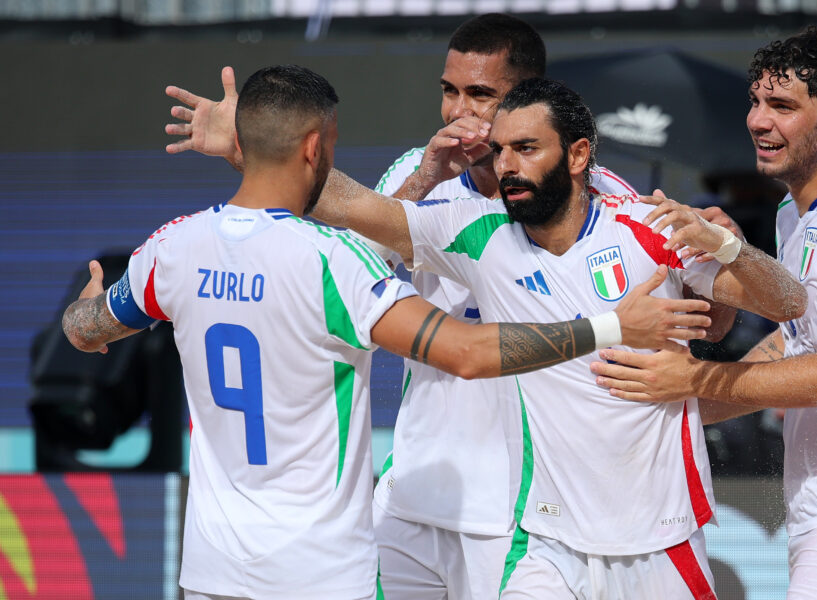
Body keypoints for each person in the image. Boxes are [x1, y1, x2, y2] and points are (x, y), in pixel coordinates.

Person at [61, 65, 700, 600]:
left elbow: (86, 330)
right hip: (319, 574)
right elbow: (469, 353)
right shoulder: (335, 262)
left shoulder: (172, 248)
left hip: (210, 570)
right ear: (316, 147)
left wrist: (89, 313)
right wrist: (616, 324)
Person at [306, 77, 806, 599]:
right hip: (545, 544)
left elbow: (790, 304)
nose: (506, 167)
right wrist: (256, 148)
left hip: (663, 540)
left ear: (577, 154)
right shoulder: (477, 232)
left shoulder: (649, 229)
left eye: (525, 149)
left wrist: (730, 247)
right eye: (500, 151)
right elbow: (351, 205)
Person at [591, 27, 817, 600]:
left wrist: (692, 377)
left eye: (782, 106)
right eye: (755, 102)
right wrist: (667, 410)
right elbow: (792, 346)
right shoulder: (795, 211)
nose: (758, 122)